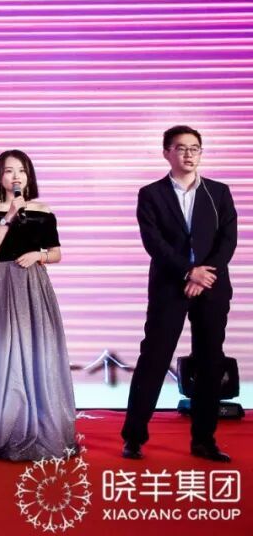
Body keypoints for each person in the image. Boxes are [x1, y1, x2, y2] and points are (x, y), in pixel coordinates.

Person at [121, 125, 237, 462]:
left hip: (212, 286)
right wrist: (188, 271)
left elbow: (228, 240)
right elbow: (153, 243)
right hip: (169, 286)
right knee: (154, 358)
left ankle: (204, 440)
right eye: (181, 148)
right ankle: (134, 437)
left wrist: (203, 275)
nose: (189, 154)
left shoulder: (218, 192)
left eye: (195, 148)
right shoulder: (151, 194)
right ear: (166, 153)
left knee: (210, 360)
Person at [0, 150, 77, 461]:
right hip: (1, 286)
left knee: (36, 352)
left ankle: (41, 427)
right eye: (9, 170)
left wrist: (39, 255)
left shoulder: (43, 210)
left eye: (22, 171)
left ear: (29, 176)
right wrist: (9, 216)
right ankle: (5, 428)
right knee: (3, 354)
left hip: (33, 286)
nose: (16, 176)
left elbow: (56, 253)